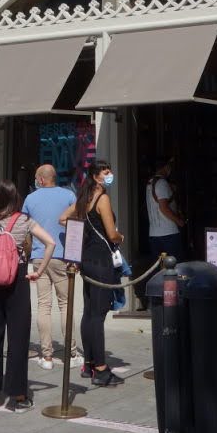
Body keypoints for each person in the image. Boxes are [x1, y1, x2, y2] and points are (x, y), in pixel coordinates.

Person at [0, 179, 56, 411]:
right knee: (18, 340)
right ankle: (18, 397)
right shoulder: (24, 221)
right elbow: (50, 242)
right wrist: (38, 271)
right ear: (15, 199)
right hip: (18, 282)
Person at [60, 159, 123, 387]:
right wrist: (120, 237)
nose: (109, 175)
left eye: (110, 170)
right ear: (96, 176)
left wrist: (80, 233)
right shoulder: (102, 199)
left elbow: (62, 218)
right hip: (100, 260)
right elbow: (111, 233)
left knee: (89, 312)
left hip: (86, 259)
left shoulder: (83, 197)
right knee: (98, 315)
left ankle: (88, 363)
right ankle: (101, 369)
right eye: (106, 172)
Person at [22, 163, 79, 370]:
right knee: (66, 304)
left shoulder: (30, 199)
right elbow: (75, 227)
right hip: (63, 257)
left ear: (41, 179)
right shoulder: (69, 196)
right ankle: (71, 353)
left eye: (37, 178)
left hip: (39, 257)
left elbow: (26, 230)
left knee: (43, 306)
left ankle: (46, 356)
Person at [146, 155, 185, 263]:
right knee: (176, 267)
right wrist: (179, 221)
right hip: (168, 233)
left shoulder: (150, 183)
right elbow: (164, 208)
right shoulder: (162, 183)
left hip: (154, 234)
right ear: (166, 167)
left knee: (160, 268)